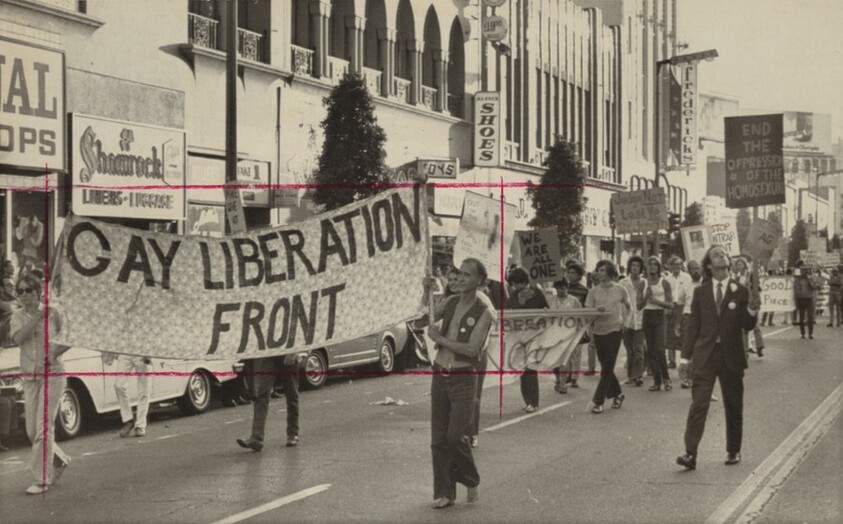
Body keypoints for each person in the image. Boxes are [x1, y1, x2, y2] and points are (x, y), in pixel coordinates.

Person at [677, 246, 760, 470]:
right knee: (698, 405)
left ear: (728, 262)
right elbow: (693, 328)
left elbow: (747, 324)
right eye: (716, 254)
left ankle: (733, 450)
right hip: (705, 356)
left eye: (723, 253)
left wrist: (752, 310)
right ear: (709, 265)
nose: (721, 255)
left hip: (731, 356)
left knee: (733, 405)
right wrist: (685, 360)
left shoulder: (741, 291)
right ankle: (690, 453)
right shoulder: (701, 292)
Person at [422, 258, 493, 509]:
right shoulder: (450, 301)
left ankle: (471, 479)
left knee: (455, 436)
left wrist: (439, 338)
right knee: (438, 438)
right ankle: (445, 492)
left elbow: (473, 349)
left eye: (467, 275)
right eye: (458, 274)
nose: (460, 279)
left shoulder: (485, 311)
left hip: (463, 379)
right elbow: (425, 316)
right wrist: (426, 291)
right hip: (440, 374)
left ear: (479, 281)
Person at [10, 271, 71, 494]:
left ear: (38, 291)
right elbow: (17, 338)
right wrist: (37, 317)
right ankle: (60, 459)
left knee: (43, 428)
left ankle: (41, 479)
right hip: (30, 377)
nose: (25, 295)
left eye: (29, 290)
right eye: (21, 291)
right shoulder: (17, 316)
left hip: (52, 374)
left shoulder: (54, 312)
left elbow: (69, 337)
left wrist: (54, 353)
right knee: (31, 430)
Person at [585, 260, 631, 414]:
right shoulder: (593, 291)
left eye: (603, 270)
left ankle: (598, 401)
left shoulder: (620, 289)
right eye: (598, 270)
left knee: (607, 367)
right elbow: (588, 311)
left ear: (610, 272)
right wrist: (595, 310)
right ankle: (618, 394)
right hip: (598, 331)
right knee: (606, 367)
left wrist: (626, 322)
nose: (599, 273)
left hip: (615, 330)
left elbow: (629, 307)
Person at [236, 354, 301, 451]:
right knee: (262, 395)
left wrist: (295, 352)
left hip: (288, 353)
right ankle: (256, 438)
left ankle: (293, 433)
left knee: (291, 394)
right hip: (270, 355)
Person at [506, 267, 549, 412]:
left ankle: (532, 402)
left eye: (518, 283)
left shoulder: (532, 293)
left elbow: (546, 310)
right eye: (515, 284)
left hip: (529, 335)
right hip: (525, 334)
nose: (517, 286)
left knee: (528, 369)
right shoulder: (518, 294)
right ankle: (529, 401)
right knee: (525, 369)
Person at [641, 256, 673, 391]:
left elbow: (670, 304)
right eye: (650, 264)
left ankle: (666, 379)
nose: (652, 266)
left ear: (659, 267)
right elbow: (638, 305)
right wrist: (646, 297)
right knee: (651, 350)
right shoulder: (643, 283)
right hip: (647, 315)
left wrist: (657, 301)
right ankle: (656, 380)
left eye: (655, 264)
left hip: (659, 316)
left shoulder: (664, 282)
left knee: (660, 348)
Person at [102, 351, 152, 438]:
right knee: (119, 385)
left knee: (144, 389)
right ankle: (128, 419)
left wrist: (149, 352)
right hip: (125, 351)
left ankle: (140, 425)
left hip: (141, 350)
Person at [549, 278, 583, 394]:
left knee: (565, 360)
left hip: (569, 334)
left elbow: (581, 317)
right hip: (553, 334)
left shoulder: (574, 301)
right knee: (555, 360)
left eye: (563, 287)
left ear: (566, 287)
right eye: (558, 287)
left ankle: (563, 384)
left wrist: (578, 330)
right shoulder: (550, 300)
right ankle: (558, 379)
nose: (561, 290)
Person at [561, 262, 590, 389]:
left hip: (578, 324)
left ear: (579, 276)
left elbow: (587, 307)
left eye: (573, 273)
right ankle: (565, 375)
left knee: (576, 352)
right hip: (564, 325)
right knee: (565, 350)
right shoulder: (563, 289)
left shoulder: (585, 291)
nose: (570, 275)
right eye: (569, 272)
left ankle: (574, 377)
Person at [619, 256, 646, 387]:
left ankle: (638, 375)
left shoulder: (645, 283)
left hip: (640, 320)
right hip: (627, 320)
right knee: (630, 350)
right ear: (629, 267)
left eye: (638, 265)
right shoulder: (623, 283)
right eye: (633, 265)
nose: (635, 268)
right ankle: (630, 375)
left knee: (639, 349)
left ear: (641, 268)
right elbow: (619, 302)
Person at [732, 257, 765, 357]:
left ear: (745, 265)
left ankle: (760, 347)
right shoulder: (736, 277)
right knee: (744, 327)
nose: (739, 266)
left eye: (741, 264)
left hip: (752, 302)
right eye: (738, 265)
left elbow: (758, 287)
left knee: (755, 325)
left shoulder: (750, 274)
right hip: (742, 303)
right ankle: (745, 350)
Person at [679, 260, 703, 389]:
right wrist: (678, 322)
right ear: (688, 270)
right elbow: (680, 303)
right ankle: (687, 378)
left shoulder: (706, 283)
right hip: (689, 316)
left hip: (703, 318)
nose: (696, 271)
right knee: (689, 347)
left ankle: (696, 377)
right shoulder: (685, 285)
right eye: (693, 268)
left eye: (698, 268)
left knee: (700, 349)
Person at [665, 256, 692, 368]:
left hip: (682, 306)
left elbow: (688, 293)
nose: (676, 267)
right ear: (670, 266)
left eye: (678, 264)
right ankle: (672, 361)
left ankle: (683, 360)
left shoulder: (686, 277)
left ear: (681, 265)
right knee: (669, 334)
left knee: (683, 333)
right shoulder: (667, 279)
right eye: (674, 264)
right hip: (670, 307)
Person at [793, 261, 817, 339]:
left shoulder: (810, 278)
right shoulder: (798, 279)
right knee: (801, 318)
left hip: (809, 299)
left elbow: (815, 286)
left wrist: (810, 280)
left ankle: (810, 333)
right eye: (802, 270)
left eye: (805, 270)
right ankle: (802, 333)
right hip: (801, 300)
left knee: (810, 317)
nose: (804, 272)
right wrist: (798, 297)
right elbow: (796, 289)